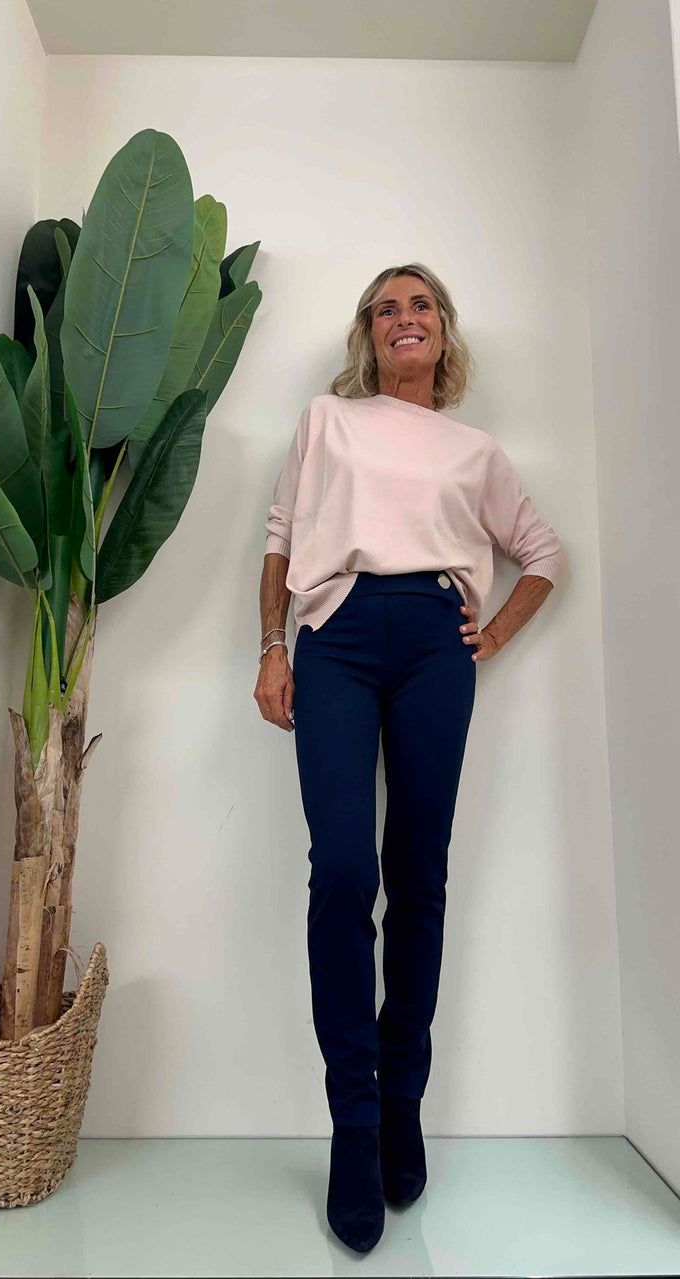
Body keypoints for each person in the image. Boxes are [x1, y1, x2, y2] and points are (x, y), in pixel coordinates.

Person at [254, 263, 566, 1254]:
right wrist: (271, 647)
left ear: (443, 330)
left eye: (419, 304)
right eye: (386, 308)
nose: (404, 318)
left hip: (436, 641)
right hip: (337, 638)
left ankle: (402, 1105)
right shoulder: (327, 421)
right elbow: (278, 539)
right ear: (368, 333)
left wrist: (493, 634)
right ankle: (353, 1120)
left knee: (418, 875)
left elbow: (544, 554)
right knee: (345, 868)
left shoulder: (477, 451)